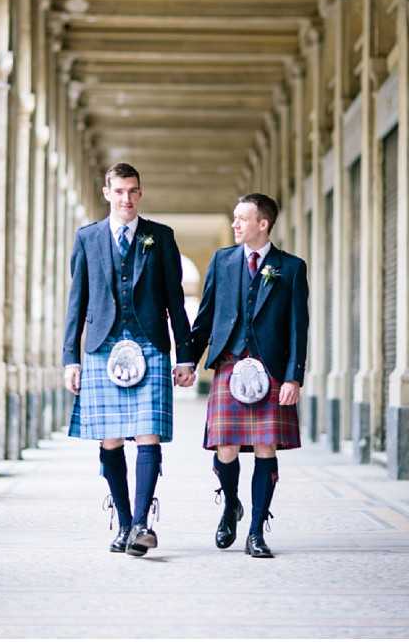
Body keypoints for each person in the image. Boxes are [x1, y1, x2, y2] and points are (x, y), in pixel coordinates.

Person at [62, 163, 195, 557]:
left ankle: (141, 523)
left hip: (151, 344)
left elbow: (175, 300)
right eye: (119, 191)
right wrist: (71, 358)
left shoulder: (161, 237)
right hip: (102, 346)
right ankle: (123, 522)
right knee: (111, 438)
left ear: (140, 193)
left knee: (149, 432)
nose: (126, 199)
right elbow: (77, 302)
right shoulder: (87, 238)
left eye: (133, 191)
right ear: (107, 192)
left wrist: (186, 356)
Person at [191, 193, 309, 558]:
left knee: (264, 447)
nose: (235, 224)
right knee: (225, 448)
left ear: (263, 223)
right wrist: (186, 361)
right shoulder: (222, 261)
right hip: (229, 364)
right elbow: (206, 315)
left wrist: (294, 378)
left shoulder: (290, 267)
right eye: (234, 218)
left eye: (243, 218)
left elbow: (297, 327)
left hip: (271, 369)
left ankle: (256, 530)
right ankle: (230, 505)